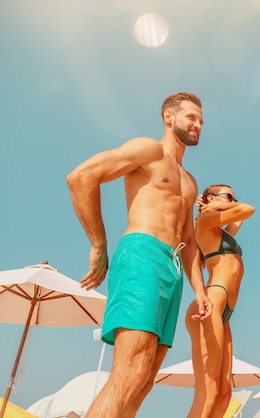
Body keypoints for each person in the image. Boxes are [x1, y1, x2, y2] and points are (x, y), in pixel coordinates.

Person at [66, 92, 212, 418]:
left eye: (201, 120)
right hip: (142, 253)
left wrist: (200, 290)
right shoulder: (149, 149)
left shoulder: (190, 182)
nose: (198, 124)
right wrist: (98, 244)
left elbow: (188, 239)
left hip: (172, 268)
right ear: (169, 117)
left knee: (144, 380)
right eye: (191, 116)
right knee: (130, 373)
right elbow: (81, 177)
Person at [185, 184, 255, 418]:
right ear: (211, 199)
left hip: (224, 312)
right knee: (208, 392)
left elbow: (240, 218)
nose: (232, 200)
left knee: (224, 393)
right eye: (228, 196)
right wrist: (213, 205)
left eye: (234, 197)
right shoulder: (204, 223)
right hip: (211, 302)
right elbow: (247, 209)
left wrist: (221, 202)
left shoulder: (219, 232)